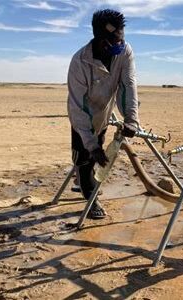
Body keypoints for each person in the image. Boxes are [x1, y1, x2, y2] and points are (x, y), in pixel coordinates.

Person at [67, 9, 139, 219]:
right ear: (102, 41)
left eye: (122, 38)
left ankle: (85, 182)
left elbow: (128, 85)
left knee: (98, 155)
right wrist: (90, 144)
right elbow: (77, 107)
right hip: (82, 115)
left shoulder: (124, 51)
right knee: (84, 157)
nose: (121, 44)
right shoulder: (80, 62)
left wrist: (131, 119)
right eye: (116, 41)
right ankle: (91, 200)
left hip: (104, 112)